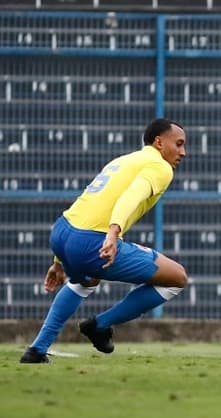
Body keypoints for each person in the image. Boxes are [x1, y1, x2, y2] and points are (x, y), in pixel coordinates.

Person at [20, 118, 188, 363]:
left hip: (63, 232)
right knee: (177, 278)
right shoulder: (160, 167)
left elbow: (87, 202)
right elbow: (133, 195)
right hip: (91, 241)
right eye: (179, 144)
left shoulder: (123, 160)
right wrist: (112, 233)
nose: (183, 152)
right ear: (159, 142)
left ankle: (36, 350)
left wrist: (58, 261)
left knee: (85, 281)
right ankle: (99, 326)